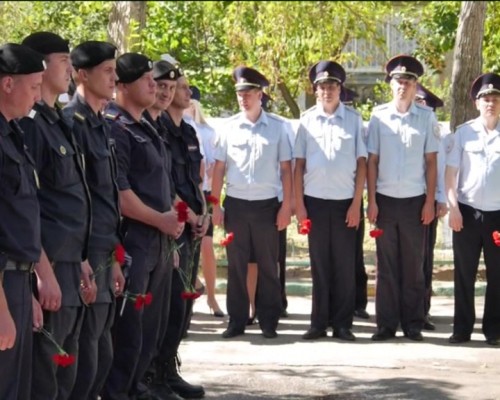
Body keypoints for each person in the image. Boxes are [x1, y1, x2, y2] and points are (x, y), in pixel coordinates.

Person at [101, 53, 183, 400]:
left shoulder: (148, 125)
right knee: (130, 335)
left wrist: (174, 221)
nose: (154, 84)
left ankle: (140, 388)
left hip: (159, 243)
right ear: (122, 87)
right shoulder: (115, 127)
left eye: (155, 78)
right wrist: (162, 220)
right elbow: (122, 194)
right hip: (135, 241)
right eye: (146, 79)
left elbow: (162, 184)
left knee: (152, 329)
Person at [19, 32, 95, 400]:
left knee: (69, 370)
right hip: (47, 266)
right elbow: (28, 208)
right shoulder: (30, 124)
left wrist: (81, 260)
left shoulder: (56, 120)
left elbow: (69, 201)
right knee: (46, 372)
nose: (70, 68)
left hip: (69, 262)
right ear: (41, 64)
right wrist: (42, 274)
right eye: (64, 60)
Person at [63, 40, 126, 400]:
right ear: (82, 74)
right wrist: (85, 258)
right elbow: (80, 200)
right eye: (107, 70)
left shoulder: (101, 123)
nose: (114, 77)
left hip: (105, 251)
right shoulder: (73, 123)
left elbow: (107, 201)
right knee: (85, 356)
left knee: (102, 352)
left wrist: (116, 256)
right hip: (85, 256)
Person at [212, 66, 293, 339]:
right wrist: (215, 205)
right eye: (239, 94)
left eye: (248, 93)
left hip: (266, 205)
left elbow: (286, 170)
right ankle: (237, 320)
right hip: (236, 204)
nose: (243, 98)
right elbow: (219, 169)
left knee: (269, 266)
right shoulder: (228, 127)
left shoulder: (278, 128)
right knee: (236, 265)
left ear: (260, 94)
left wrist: (286, 206)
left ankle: (268, 320)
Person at [366, 54, 439, 342]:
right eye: (398, 81)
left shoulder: (426, 117)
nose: (402, 86)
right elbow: (372, 161)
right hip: (384, 199)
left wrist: (430, 201)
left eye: (408, 81)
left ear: (415, 85)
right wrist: (371, 201)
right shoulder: (378, 116)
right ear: (391, 84)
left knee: (413, 265)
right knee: (386, 265)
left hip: (413, 200)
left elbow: (431, 162)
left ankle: (413, 323)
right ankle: (386, 324)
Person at [294, 60, 367, 341]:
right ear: (316, 90)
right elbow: (298, 165)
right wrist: (299, 205)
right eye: (322, 86)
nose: (327, 90)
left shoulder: (354, 120)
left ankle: (343, 324)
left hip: (344, 203)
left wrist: (355, 203)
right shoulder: (306, 120)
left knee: (345, 265)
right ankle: (318, 323)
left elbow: (362, 165)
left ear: (340, 89)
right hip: (314, 201)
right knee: (320, 264)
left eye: (332, 86)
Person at [147, 63, 207, 400]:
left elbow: (195, 182)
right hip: (174, 226)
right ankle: (155, 375)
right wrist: (188, 214)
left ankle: (169, 369)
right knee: (168, 307)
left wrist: (205, 214)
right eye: (174, 87)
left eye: (180, 86)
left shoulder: (187, 132)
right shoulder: (159, 131)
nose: (180, 92)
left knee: (183, 307)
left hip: (192, 228)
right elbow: (165, 187)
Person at [0, 42, 44, 400]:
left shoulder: (14, 134)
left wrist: (30, 290)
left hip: (18, 280)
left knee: (19, 388)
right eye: (34, 86)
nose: (38, 95)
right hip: (2, 284)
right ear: (8, 84)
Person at [445, 72, 500, 346]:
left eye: (495, 99)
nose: (490, 103)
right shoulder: (464, 133)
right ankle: (462, 329)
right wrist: (453, 208)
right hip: (466, 212)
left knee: (498, 274)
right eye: (485, 99)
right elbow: (451, 175)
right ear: (477, 103)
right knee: (463, 272)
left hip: (498, 215)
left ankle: (494, 330)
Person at [183, 85, 224, 317]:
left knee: (207, 247)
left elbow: (213, 165)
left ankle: (211, 297)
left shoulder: (206, 133)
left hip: (204, 193)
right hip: (187, 192)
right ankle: (193, 288)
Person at [414, 83, 447, 331]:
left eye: (422, 102)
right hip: (410, 197)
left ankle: (422, 310)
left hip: (429, 200)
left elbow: (440, 169)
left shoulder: (436, 132)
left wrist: (439, 199)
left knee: (424, 257)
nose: (418, 105)